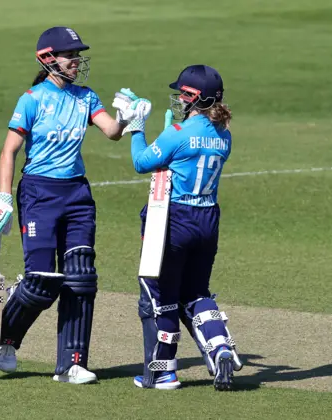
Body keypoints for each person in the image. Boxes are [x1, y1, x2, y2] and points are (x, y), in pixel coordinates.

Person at [0, 26, 150, 384]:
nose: (76, 61)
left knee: (81, 279)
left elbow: (111, 132)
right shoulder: (32, 99)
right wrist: (3, 197)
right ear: (47, 59)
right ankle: (6, 339)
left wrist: (128, 116)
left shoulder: (85, 97)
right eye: (69, 54)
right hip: (39, 194)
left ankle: (71, 364)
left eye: (78, 55)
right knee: (41, 281)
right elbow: (9, 150)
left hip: (76, 195)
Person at [116, 65, 243, 390]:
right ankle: (220, 348)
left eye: (185, 94)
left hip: (174, 219)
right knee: (197, 292)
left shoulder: (179, 133)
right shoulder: (224, 135)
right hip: (208, 220)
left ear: (198, 98)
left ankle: (163, 372)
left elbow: (142, 162)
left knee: (163, 294)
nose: (179, 98)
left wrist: (136, 127)